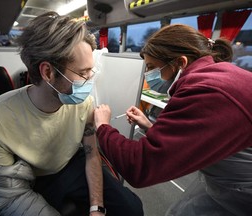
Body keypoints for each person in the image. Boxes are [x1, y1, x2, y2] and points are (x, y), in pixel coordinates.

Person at [0, 12, 143, 216]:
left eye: (91, 71)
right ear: (48, 72)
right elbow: (10, 195)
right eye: (83, 73)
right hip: (32, 179)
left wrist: (97, 207)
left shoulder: (84, 102)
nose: (90, 80)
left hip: (70, 163)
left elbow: (91, 154)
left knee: (131, 209)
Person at [94, 24, 252, 216]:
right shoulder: (217, 74)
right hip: (226, 176)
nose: (148, 76)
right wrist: (151, 126)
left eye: (152, 68)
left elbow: (140, 166)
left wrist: (103, 127)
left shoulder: (205, 92)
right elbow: (197, 136)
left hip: (241, 190)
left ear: (181, 62)